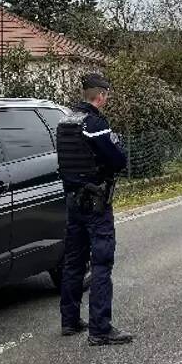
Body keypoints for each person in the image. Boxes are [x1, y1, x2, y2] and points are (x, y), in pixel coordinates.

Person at [55, 73, 133, 345]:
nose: (107, 100)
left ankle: (70, 320)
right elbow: (118, 159)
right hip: (95, 203)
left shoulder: (64, 121)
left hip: (72, 201)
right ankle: (100, 329)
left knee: (74, 262)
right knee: (101, 262)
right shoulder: (94, 124)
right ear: (100, 95)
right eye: (107, 96)